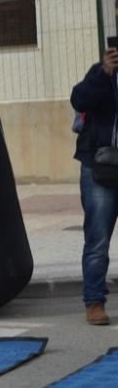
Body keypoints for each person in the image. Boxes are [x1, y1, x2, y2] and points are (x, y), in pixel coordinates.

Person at [72, 35, 118, 326]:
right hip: (100, 167)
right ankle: (94, 302)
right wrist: (104, 73)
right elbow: (79, 99)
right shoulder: (99, 73)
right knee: (98, 239)